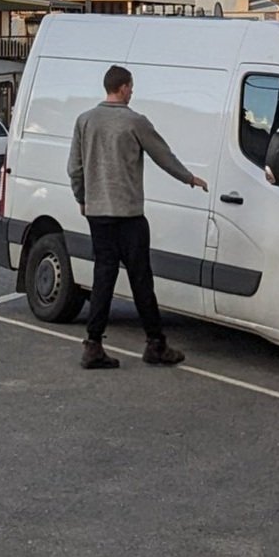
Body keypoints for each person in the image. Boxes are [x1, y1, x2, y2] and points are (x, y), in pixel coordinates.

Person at [67, 64, 208, 370]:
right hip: (128, 213)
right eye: (131, 87)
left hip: (98, 213)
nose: (133, 91)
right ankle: (155, 344)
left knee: (103, 277)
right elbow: (162, 154)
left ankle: (93, 345)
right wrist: (188, 178)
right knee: (140, 278)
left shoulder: (85, 121)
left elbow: (74, 168)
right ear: (123, 87)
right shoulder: (135, 122)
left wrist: (82, 198)